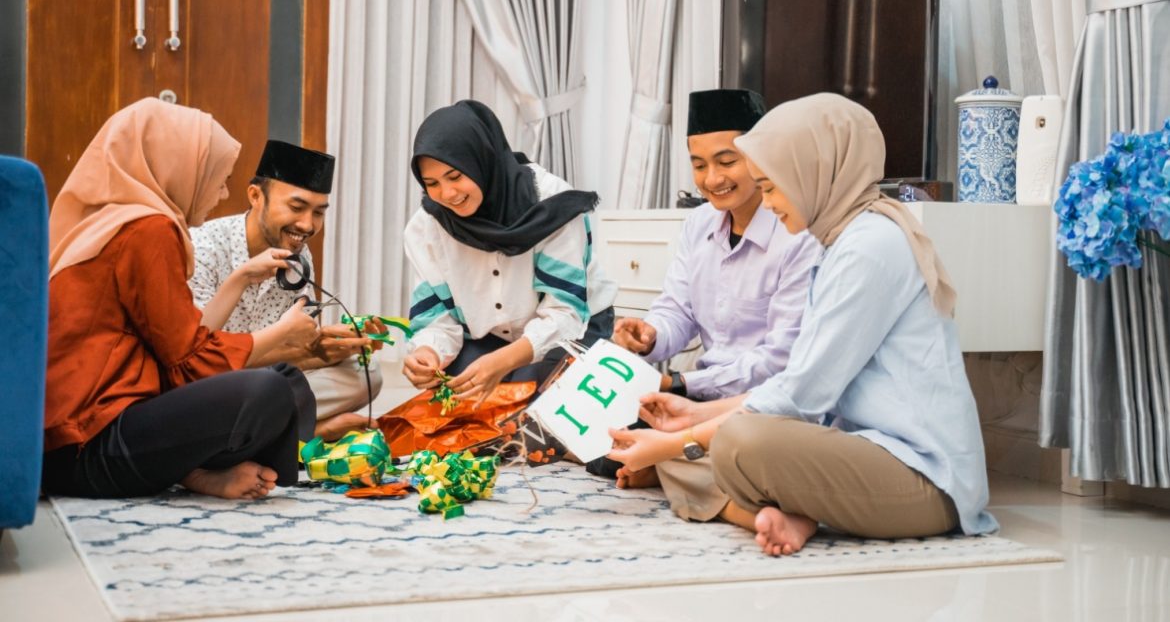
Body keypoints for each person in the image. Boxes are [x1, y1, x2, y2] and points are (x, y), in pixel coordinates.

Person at [608, 93, 997, 556]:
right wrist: (692, 417)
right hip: (859, 446)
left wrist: (678, 442)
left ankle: (764, 503)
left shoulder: (868, 248)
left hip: (927, 480)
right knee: (705, 443)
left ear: (814, 171)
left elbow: (800, 395)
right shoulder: (844, 238)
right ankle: (785, 515)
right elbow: (799, 385)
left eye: (772, 187)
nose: (768, 204)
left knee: (730, 443)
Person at [41, 98, 320, 500]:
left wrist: (240, 275)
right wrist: (282, 334)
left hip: (76, 442)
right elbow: (187, 358)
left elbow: (175, 344)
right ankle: (202, 470)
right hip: (89, 445)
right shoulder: (148, 230)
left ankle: (194, 472)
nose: (223, 192)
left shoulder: (114, 220)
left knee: (285, 380)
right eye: (218, 177)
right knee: (270, 391)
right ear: (181, 168)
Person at [600, 89, 819, 482]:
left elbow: (780, 359)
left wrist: (680, 382)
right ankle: (671, 463)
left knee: (757, 450)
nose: (712, 179)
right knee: (597, 435)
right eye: (699, 165)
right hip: (695, 396)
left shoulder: (797, 236)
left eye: (727, 161)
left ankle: (669, 466)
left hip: (757, 404)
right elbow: (676, 310)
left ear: (760, 155)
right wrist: (650, 336)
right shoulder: (698, 224)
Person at [401, 100, 618, 403]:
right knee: (456, 414)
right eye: (431, 183)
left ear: (482, 161)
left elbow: (564, 313)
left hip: (574, 328)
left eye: (455, 176)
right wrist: (428, 352)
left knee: (532, 420)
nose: (447, 195)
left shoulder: (550, 205)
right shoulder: (426, 227)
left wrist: (504, 363)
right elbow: (437, 319)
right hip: (489, 338)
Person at [188, 139, 379, 439]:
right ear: (255, 196)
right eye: (296, 207)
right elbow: (196, 355)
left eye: (318, 212)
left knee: (366, 375)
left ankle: (272, 431)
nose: (307, 225)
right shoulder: (203, 246)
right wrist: (298, 352)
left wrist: (336, 344)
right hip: (208, 385)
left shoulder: (299, 257)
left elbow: (292, 352)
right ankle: (308, 433)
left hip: (264, 387)